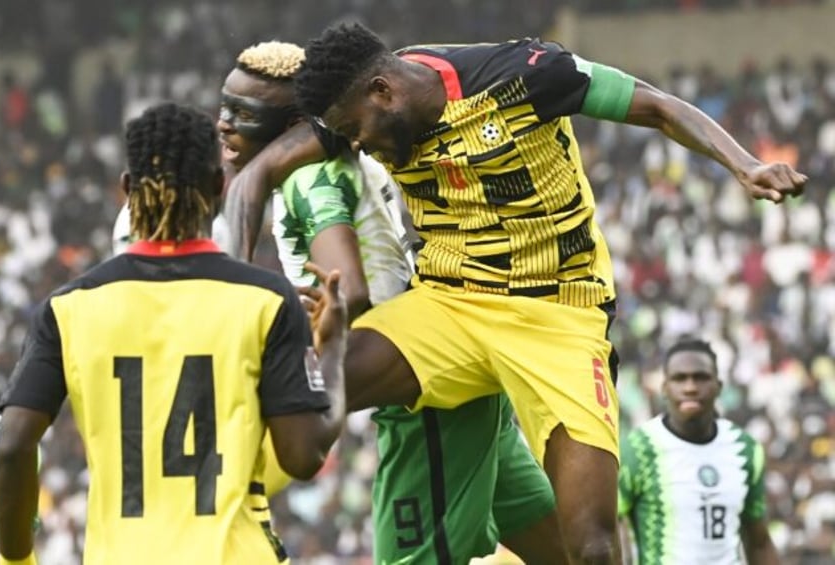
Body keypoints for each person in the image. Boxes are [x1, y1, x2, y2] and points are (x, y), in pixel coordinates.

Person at [292, 22, 807, 564]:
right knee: (304, 387)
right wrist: (247, 182)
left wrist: (745, 165)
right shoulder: (366, 104)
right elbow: (287, 149)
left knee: (591, 546)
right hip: (450, 304)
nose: (356, 146)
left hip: (559, 313)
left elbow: (656, 106)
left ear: (383, 91)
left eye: (356, 130)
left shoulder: (525, 74)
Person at [221, 41, 562, 564]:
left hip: (423, 390)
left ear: (291, 121)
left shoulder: (305, 180)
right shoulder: (328, 162)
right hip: (455, 371)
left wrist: (289, 328)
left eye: (244, 114)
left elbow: (349, 290)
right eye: (224, 107)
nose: (224, 125)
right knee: (556, 551)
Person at [0, 102, 348, 565]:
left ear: (125, 190)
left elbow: (15, 445)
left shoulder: (69, 307)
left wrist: (17, 560)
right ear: (220, 187)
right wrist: (334, 350)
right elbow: (303, 456)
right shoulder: (266, 298)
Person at [618, 338, 778, 565]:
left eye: (700, 378)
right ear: (665, 388)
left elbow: (759, 541)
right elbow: (611, 527)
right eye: (679, 378)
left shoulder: (745, 449)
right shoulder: (638, 448)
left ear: (719, 386)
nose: (690, 387)